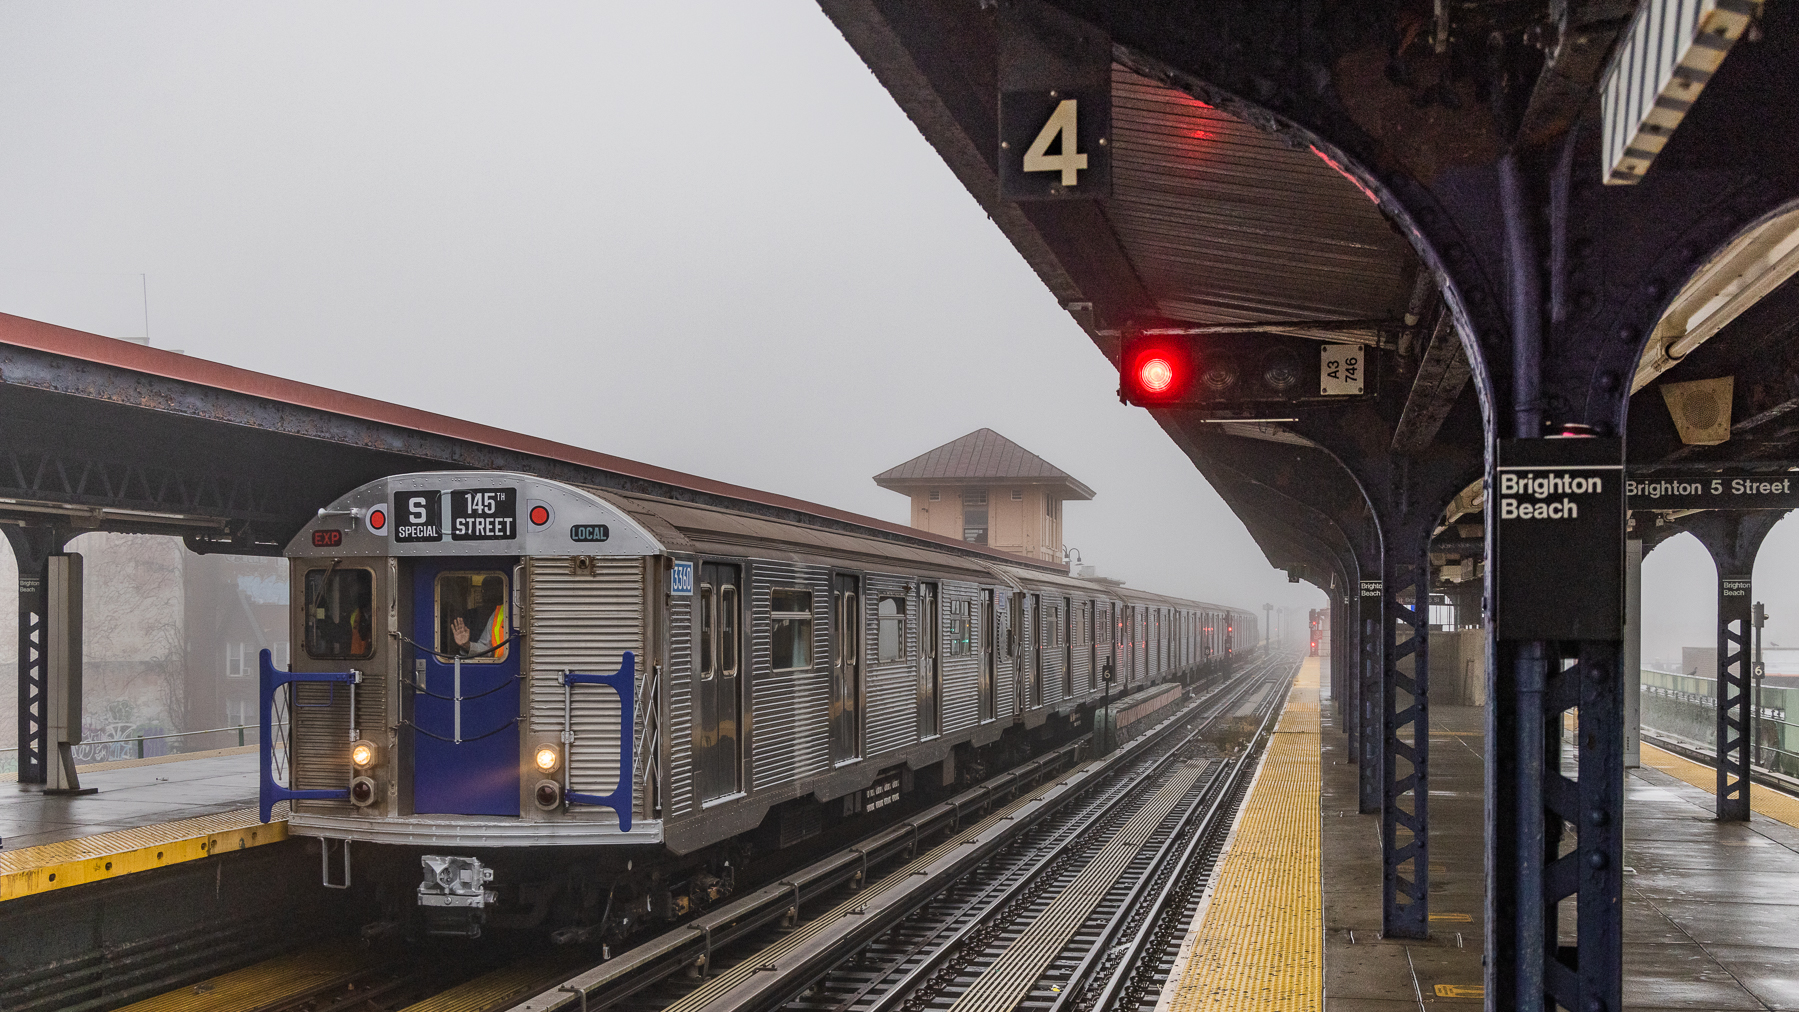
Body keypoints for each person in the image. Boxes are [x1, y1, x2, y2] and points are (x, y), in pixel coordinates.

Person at [450, 578, 508, 659]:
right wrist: (467, 645)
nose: (490, 595)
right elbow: (487, 649)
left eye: (494, 590)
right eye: (485, 590)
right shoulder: (498, 613)